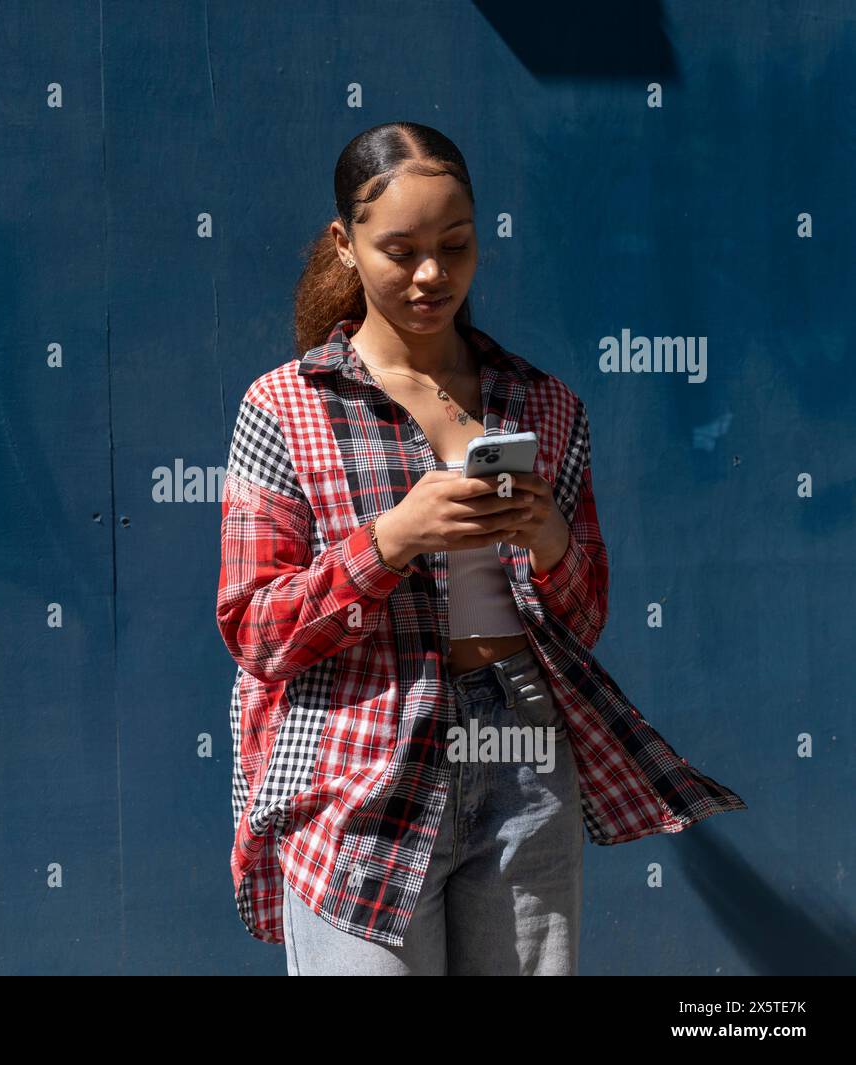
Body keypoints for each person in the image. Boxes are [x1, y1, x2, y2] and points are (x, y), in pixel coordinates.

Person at [216, 122, 747, 975]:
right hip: (362, 765)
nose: (432, 274)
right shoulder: (286, 406)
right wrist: (392, 539)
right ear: (343, 247)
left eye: (455, 245)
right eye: (401, 249)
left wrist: (547, 539)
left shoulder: (543, 405)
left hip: (521, 755)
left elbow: (583, 616)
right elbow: (257, 629)